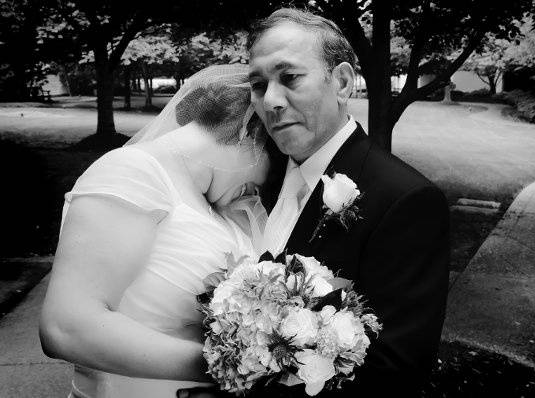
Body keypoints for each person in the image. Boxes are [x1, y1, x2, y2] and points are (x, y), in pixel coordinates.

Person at [246, 8, 449, 397]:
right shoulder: (259, 180)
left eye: (289, 78)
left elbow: (396, 371)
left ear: (341, 83)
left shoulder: (406, 201)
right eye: (258, 84)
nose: (270, 100)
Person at [39, 64, 275, 398]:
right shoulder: (131, 172)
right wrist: (238, 365)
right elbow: (66, 327)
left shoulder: (211, 205)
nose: (256, 192)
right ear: (251, 135)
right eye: (272, 164)